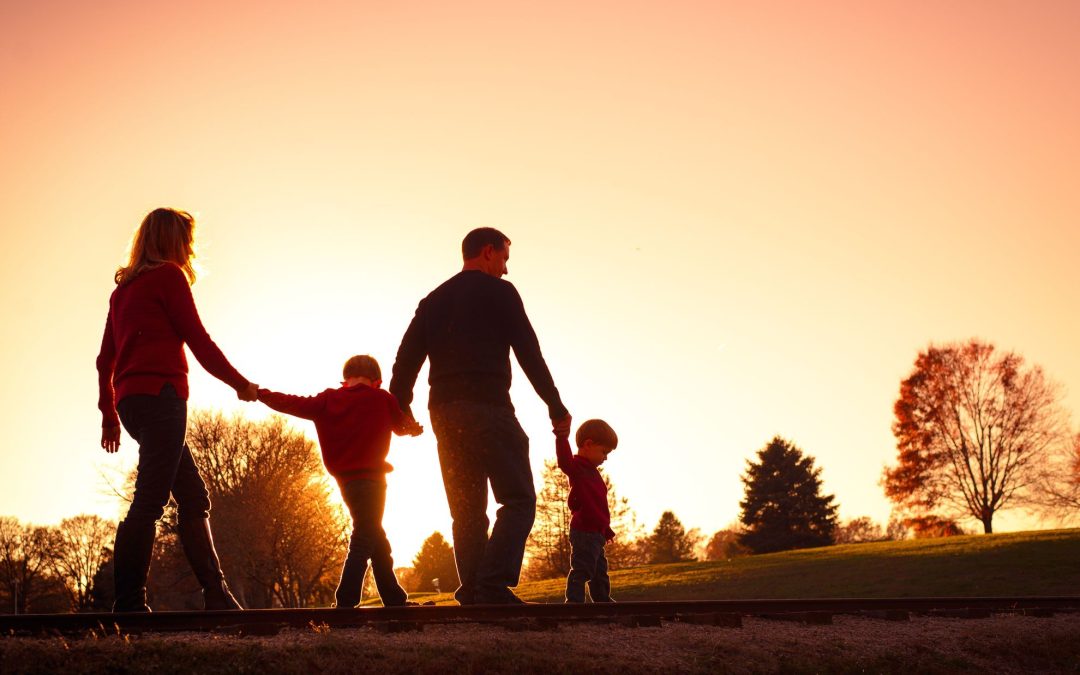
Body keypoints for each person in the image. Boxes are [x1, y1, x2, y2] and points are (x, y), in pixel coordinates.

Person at [389, 227, 570, 605]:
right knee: (518, 498)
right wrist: (554, 404)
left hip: (444, 411)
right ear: (487, 252)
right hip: (488, 407)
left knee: (467, 510)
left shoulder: (434, 300)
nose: (505, 269)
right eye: (504, 258)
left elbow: (406, 359)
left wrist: (399, 408)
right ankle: (490, 584)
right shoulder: (501, 293)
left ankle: (472, 590)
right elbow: (528, 353)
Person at [96, 207, 256, 612]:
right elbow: (198, 340)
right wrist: (240, 384)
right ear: (171, 241)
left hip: (131, 403)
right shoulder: (168, 276)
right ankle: (129, 604)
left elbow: (105, 360)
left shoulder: (122, 292)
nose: (189, 248)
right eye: (185, 239)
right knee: (149, 501)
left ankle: (217, 595)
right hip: (163, 396)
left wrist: (109, 413)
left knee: (192, 495)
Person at [256, 355, 422, 608]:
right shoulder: (382, 398)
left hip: (346, 484)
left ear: (345, 380)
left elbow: (292, 403)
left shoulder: (328, 399)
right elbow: (402, 428)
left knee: (376, 538)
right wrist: (414, 428)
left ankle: (394, 600)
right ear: (376, 381)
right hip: (373, 482)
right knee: (365, 536)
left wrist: (261, 393)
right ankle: (345, 603)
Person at [555, 418, 619, 603]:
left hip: (596, 533)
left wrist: (606, 530)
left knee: (599, 571)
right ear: (588, 444)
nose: (605, 457)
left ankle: (602, 601)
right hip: (583, 531)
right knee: (583, 568)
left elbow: (597, 507)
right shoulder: (578, 468)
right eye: (604, 452)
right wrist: (561, 438)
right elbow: (564, 461)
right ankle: (574, 602)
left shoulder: (593, 473)